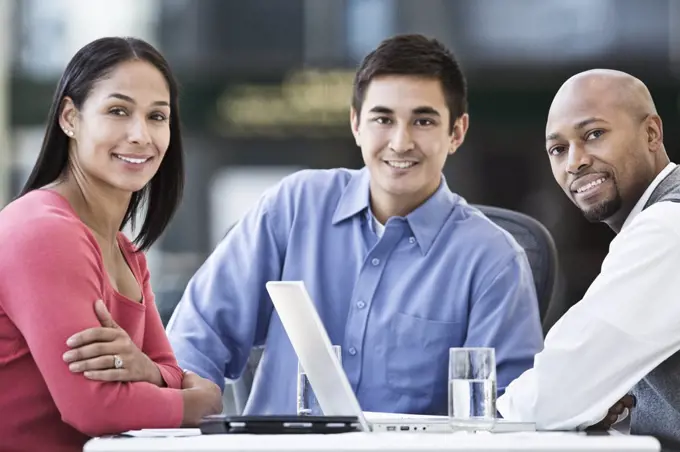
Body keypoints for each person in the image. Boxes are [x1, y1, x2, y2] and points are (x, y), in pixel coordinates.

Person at [167, 33, 543, 416]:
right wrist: (187, 413)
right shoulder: (295, 207)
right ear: (356, 124)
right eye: (383, 118)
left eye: (423, 121)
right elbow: (196, 338)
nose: (400, 142)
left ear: (456, 132)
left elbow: (505, 413)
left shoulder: (493, 260)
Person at [0, 37, 221, 452]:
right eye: (118, 111)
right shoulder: (43, 233)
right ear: (70, 118)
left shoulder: (127, 251)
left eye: (157, 116)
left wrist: (149, 373)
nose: (140, 135)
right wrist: (201, 401)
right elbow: (95, 407)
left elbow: (167, 368)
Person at [497, 69, 680, 450]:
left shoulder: (667, 226)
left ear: (651, 133)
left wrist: (480, 422)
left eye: (594, 134)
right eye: (557, 149)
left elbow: (553, 393)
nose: (574, 162)